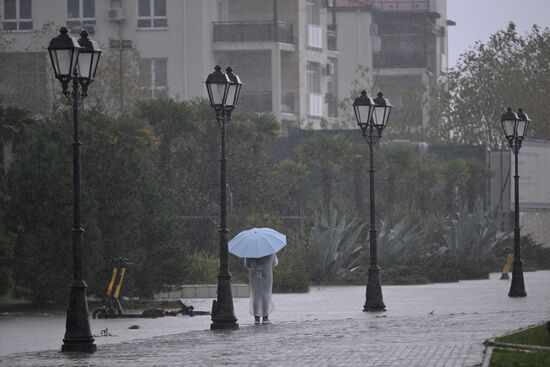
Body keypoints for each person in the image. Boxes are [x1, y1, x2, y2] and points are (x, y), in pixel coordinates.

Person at [245, 253, 278, 325]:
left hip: (254, 276)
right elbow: (275, 263)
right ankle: (265, 317)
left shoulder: (250, 252)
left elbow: (247, 264)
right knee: (266, 295)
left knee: (255, 296)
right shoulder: (270, 252)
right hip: (266, 275)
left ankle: (256, 318)